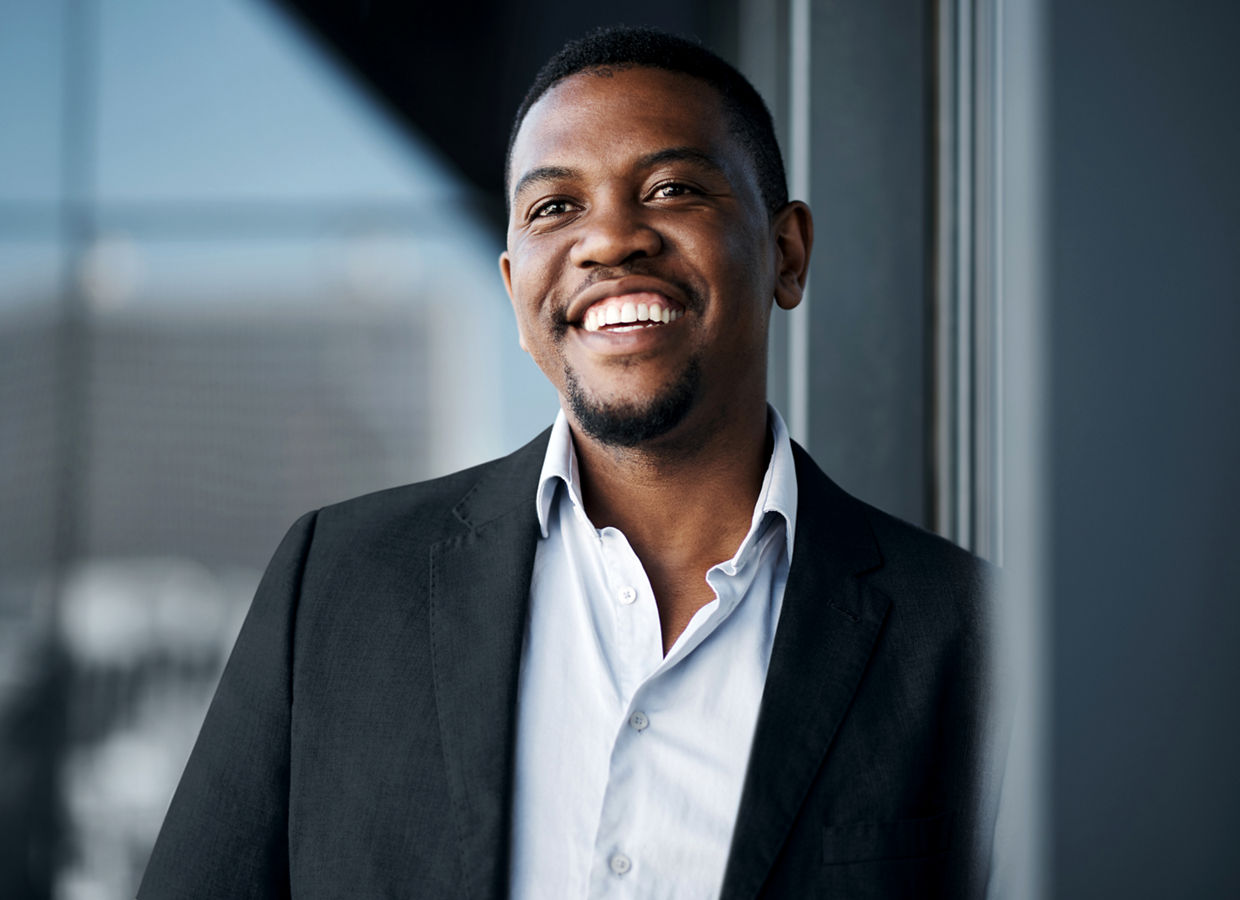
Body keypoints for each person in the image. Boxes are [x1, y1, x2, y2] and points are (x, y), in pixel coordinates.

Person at [139, 26, 997, 900]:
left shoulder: (967, 633)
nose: (611, 240)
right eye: (556, 208)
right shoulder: (338, 585)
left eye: (671, 189)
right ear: (515, 288)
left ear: (787, 252)